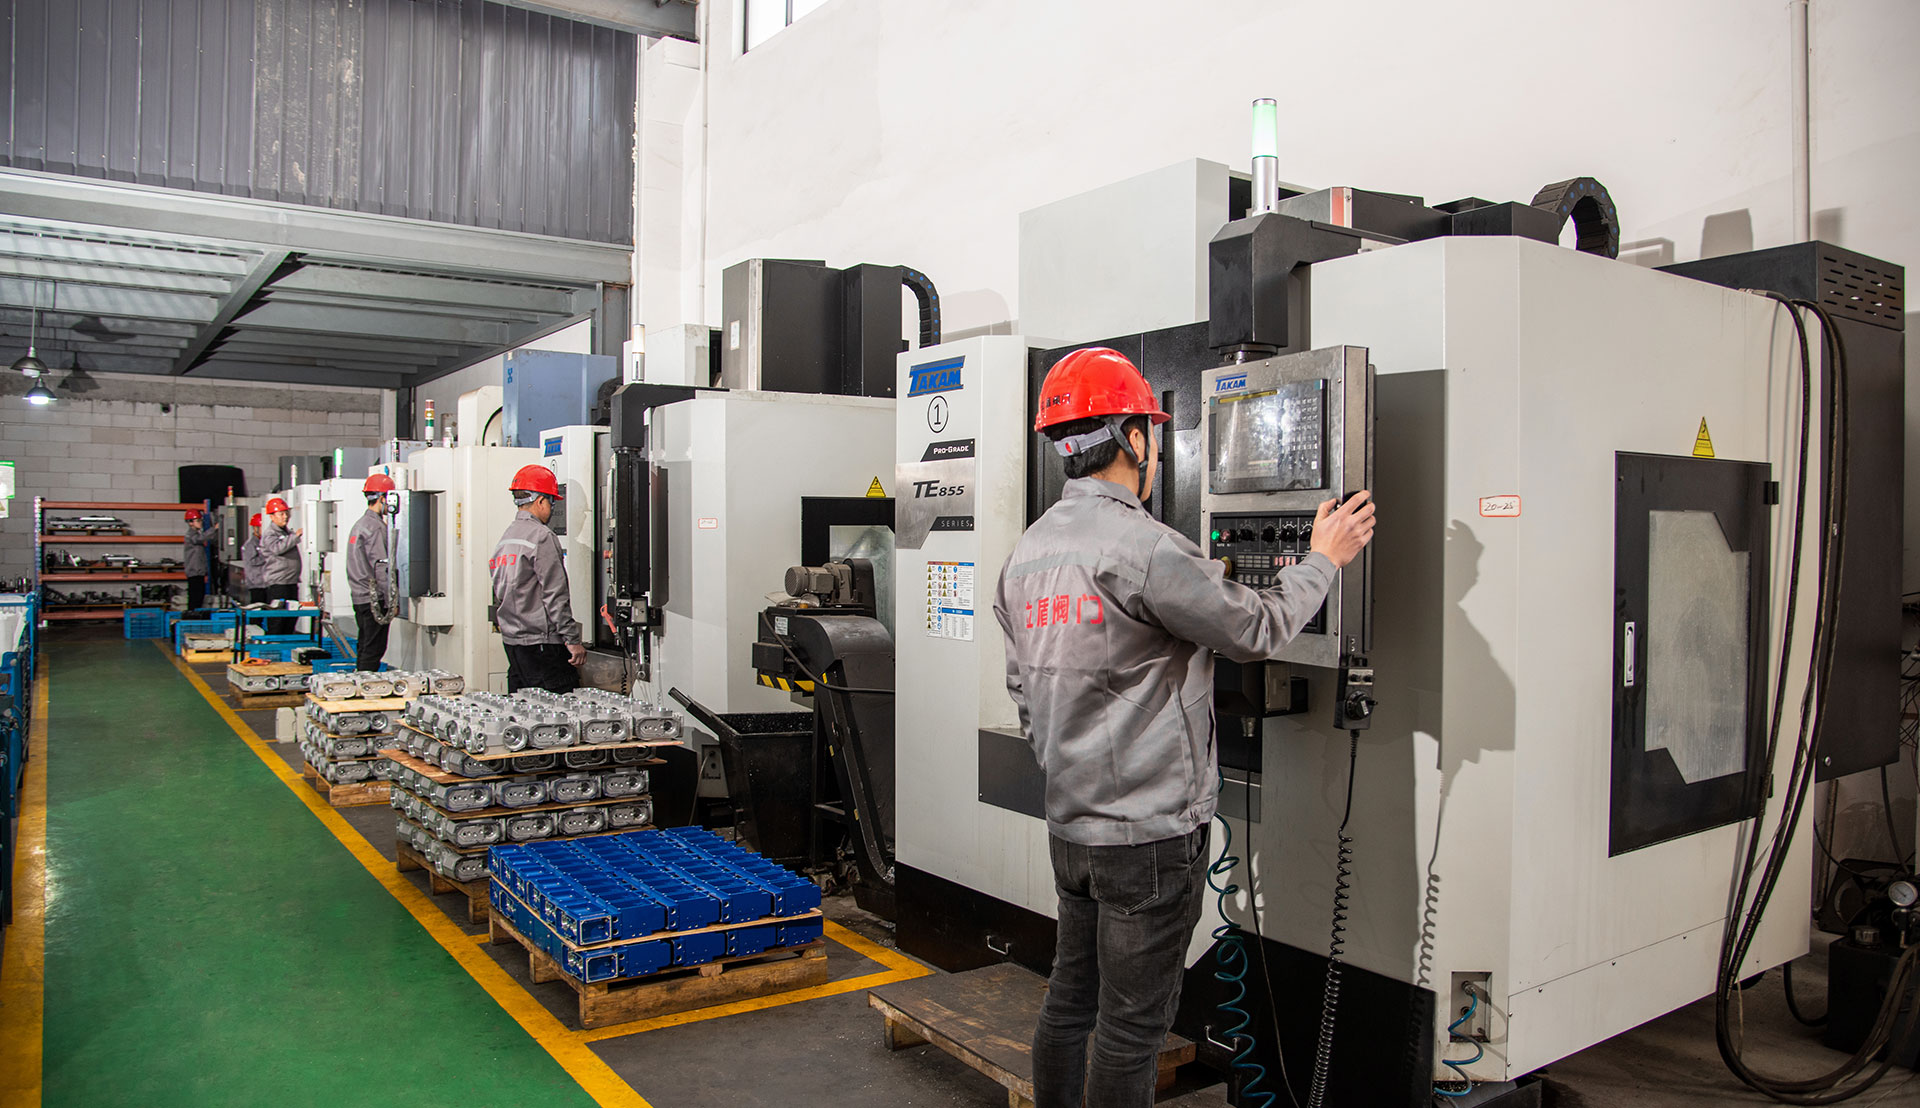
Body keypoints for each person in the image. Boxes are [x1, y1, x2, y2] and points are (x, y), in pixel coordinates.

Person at [992, 347, 1376, 1108]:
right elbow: (1259, 627)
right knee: (1131, 1030)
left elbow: (1023, 692)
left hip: (1071, 827)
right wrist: (1323, 559)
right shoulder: (1146, 549)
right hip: (1149, 836)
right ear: (1133, 438)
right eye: (1153, 435)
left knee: (1070, 1004)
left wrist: (1071, 769)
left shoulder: (1026, 554)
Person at [489, 464, 584, 693]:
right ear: (541, 501)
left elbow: (499, 590)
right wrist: (572, 639)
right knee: (560, 709)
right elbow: (555, 594)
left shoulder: (507, 537)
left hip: (513, 644)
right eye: (551, 503)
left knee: (523, 706)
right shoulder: (542, 536)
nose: (551, 510)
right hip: (543, 645)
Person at [346, 474, 397, 672]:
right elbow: (381, 567)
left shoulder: (360, 525)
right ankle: (366, 685)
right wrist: (391, 601)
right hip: (373, 600)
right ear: (383, 498)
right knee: (373, 649)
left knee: (365, 645)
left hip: (360, 597)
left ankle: (360, 681)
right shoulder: (375, 528)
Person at [256, 497, 303, 632]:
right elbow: (277, 549)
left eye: (286, 513)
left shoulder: (286, 532)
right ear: (272, 517)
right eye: (281, 514)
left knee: (291, 618)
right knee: (278, 620)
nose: (285, 517)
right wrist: (295, 537)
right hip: (279, 584)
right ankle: (275, 643)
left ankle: (287, 642)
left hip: (290, 582)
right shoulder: (270, 534)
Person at [183, 509, 211, 612]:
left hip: (198, 572)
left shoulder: (196, 534)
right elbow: (200, 539)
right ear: (190, 522)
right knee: (195, 598)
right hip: (194, 572)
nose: (200, 523)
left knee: (199, 597)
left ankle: (195, 616)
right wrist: (214, 529)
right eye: (198, 520)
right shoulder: (191, 535)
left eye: (200, 520)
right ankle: (192, 617)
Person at [242, 513, 267, 606]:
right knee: (258, 607)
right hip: (257, 584)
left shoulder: (263, 542)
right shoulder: (251, 544)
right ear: (256, 528)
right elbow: (252, 561)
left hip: (265, 583)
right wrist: (266, 556)